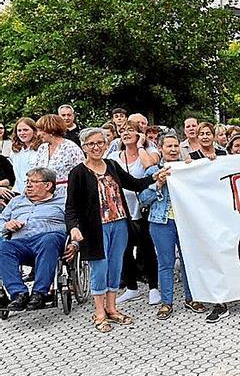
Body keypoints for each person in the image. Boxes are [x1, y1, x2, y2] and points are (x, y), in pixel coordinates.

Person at [66, 128, 169, 333]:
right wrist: (73, 228)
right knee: (100, 268)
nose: (96, 147)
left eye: (100, 143)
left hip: (120, 223)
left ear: (106, 145)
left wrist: (155, 178)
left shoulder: (112, 165)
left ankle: (112, 308)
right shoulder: (77, 172)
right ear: (84, 147)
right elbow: (71, 206)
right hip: (95, 228)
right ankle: (99, 313)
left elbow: (134, 184)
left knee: (115, 266)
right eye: (91, 144)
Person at [138, 134, 206, 320]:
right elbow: (143, 200)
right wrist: (158, 183)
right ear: (160, 149)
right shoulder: (152, 170)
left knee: (189, 261)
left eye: (176, 145)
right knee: (165, 263)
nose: (174, 149)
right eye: (169, 146)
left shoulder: (188, 167)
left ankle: (191, 298)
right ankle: (167, 302)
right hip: (161, 222)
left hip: (186, 222)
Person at [205, 133, 240, 323]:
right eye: (236, 146)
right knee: (225, 259)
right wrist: (208, 162)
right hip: (225, 221)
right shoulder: (220, 164)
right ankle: (221, 304)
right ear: (229, 148)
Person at [0, 168, 73, 311]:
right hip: (20, 243)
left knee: (49, 239)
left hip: (49, 241)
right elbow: (1, 221)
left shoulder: (63, 201)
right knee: (3, 248)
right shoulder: (16, 202)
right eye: (27, 181)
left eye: (33, 182)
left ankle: (39, 293)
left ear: (48, 185)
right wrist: (6, 225)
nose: (28, 185)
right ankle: (19, 294)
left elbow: (75, 222)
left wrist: (75, 243)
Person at [114, 120, 161, 305]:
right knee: (124, 251)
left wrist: (141, 145)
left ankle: (153, 288)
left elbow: (151, 167)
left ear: (139, 133)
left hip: (144, 209)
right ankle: (132, 288)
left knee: (147, 249)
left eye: (130, 130)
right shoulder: (115, 156)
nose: (126, 133)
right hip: (123, 210)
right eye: (123, 131)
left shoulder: (150, 152)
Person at [33, 114, 85, 197]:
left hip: (67, 195)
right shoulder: (42, 148)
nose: (38, 134)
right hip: (43, 195)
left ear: (51, 130)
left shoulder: (71, 148)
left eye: (40, 130)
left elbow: (82, 174)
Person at [9, 118, 39, 194]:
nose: (22, 133)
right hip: (18, 191)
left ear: (34, 131)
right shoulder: (15, 151)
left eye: (25, 130)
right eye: (19, 130)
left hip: (36, 192)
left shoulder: (41, 149)